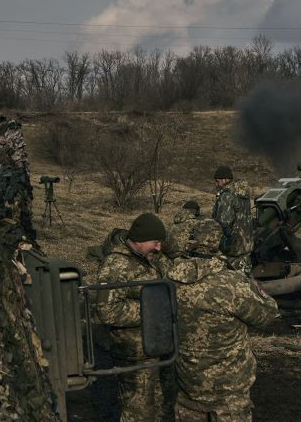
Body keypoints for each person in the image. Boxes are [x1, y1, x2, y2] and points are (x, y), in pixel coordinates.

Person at [166, 219, 280, 421]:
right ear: (219, 242)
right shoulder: (232, 283)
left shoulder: (170, 280)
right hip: (228, 391)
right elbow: (269, 314)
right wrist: (253, 286)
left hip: (188, 384)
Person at [95, 212, 173, 421]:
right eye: (155, 242)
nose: (158, 247)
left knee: (157, 408)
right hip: (134, 353)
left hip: (157, 348)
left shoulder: (150, 257)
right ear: (138, 241)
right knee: (137, 412)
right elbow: (107, 310)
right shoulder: (116, 266)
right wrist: (152, 310)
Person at [211, 165, 253, 273]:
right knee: (246, 283)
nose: (216, 184)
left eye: (217, 181)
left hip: (231, 249)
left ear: (225, 180)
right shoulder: (244, 196)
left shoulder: (226, 196)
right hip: (246, 247)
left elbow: (222, 223)